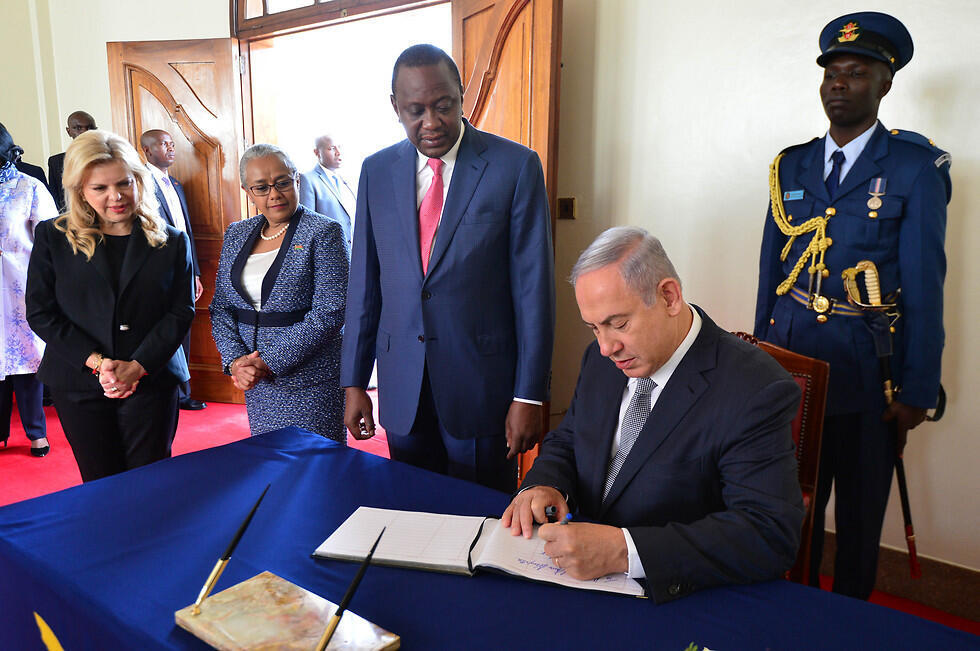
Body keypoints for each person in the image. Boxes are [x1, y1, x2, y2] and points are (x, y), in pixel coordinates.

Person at [753, 12, 951, 599]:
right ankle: (790, 612)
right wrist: (762, 358)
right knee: (791, 508)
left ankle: (849, 626)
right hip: (794, 370)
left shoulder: (915, 168)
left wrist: (917, 389)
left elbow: (924, 285)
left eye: (857, 72)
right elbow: (772, 271)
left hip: (871, 374)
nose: (839, 83)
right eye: (832, 73)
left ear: (885, 83)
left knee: (861, 521)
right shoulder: (791, 164)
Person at [503, 227, 804, 603]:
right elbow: (571, 439)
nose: (606, 347)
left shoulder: (755, 388)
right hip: (579, 578)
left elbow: (769, 533)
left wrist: (624, 551)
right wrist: (545, 484)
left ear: (669, 296)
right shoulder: (601, 362)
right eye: (594, 327)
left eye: (619, 323)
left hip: (677, 597)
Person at [341, 44, 555, 493]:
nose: (431, 122)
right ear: (395, 107)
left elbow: (533, 291)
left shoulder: (514, 166)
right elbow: (365, 287)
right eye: (415, 110)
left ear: (462, 94)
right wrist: (355, 381)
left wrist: (529, 394)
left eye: (443, 106)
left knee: (482, 517)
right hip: (403, 386)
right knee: (412, 510)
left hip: (482, 387)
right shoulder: (375, 171)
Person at [25, 130, 194, 482]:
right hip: (78, 380)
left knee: (150, 480)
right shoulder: (52, 236)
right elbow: (41, 312)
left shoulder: (172, 240)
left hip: (152, 379)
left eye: (124, 183)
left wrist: (138, 366)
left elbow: (180, 311)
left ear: (138, 181)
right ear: (80, 190)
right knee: (100, 482)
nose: (115, 197)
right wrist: (98, 363)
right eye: (99, 188)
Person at [209, 144, 349, 442]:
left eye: (282, 182)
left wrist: (268, 361)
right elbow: (221, 307)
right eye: (262, 187)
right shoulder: (236, 233)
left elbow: (332, 311)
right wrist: (236, 361)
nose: (274, 194)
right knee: (273, 468)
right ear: (249, 192)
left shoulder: (324, 232)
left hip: (310, 380)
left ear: (297, 181)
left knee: (316, 472)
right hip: (256, 382)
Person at [0, 123, 57, 456]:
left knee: (28, 360)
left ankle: (36, 431)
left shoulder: (29, 187)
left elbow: (50, 241)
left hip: (23, 285)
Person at [140, 128, 206, 411]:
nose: (170, 148)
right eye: (164, 144)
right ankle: (170, 392)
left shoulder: (175, 184)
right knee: (163, 329)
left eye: (172, 143)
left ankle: (183, 391)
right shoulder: (140, 183)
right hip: (158, 272)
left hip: (184, 267)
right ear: (147, 151)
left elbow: (186, 231)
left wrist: (196, 272)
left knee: (183, 326)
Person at [298, 134, 355, 246]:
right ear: (317, 152)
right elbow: (307, 224)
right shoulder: (309, 179)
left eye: (340, 147)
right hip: (329, 253)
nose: (338, 152)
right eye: (332, 148)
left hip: (354, 252)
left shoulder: (347, 180)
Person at [47, 111, 97, 212]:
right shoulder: (56, 162)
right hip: (70, 219)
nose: (84, 132)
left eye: (89, 128)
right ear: (68, 131)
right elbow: (55, 198)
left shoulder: (109, 158)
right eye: (78, 128)